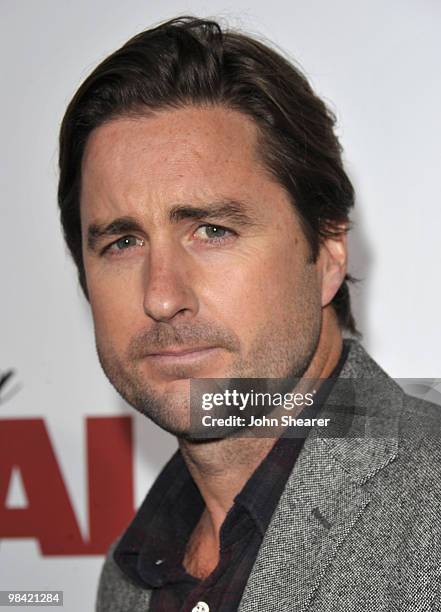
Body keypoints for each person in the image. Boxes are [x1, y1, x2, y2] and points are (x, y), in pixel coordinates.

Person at [57, 16, 441, 612]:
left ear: (328, 252)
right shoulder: (131, 575)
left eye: (212, 230)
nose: (161, 296)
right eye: (122, 243)